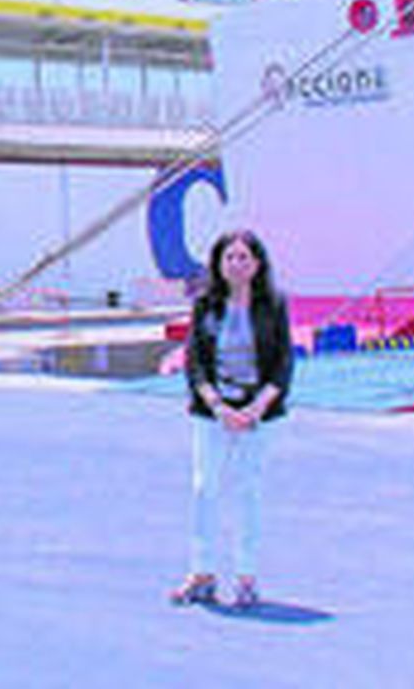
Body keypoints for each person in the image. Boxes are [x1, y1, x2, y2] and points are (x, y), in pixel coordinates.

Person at [170, 229, 293, 610]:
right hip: (213, 415)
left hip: (259, 415)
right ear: (218, 264)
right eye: (229, 257)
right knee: (204, 489)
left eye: (244, 257)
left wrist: (255, 409)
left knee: (247, 492)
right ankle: (202, 573)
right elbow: (195, 362)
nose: (236, 264)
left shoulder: (272, 305)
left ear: (257, 264)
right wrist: (219, 407)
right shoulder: (206, 304)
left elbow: (283, 363)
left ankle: (246, 576)